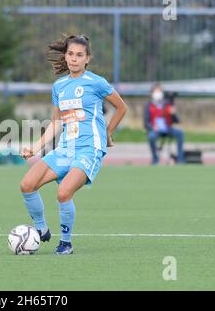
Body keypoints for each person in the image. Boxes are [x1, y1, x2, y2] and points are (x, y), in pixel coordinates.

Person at [19, 34, 127, 255]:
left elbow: (121, 107)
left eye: (79, 55)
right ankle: (41, 230)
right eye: (70, 54)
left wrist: (107, 132)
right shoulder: (59, 86)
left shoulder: (96, 82)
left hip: (90, 149)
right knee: (27, 185)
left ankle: (66, 242)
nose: (74, 59)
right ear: (65, 56)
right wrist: (35, 147)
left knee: (63, 192)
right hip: (65, 149)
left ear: (87, 58)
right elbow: (57, 121)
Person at [144, 83, 185, 165]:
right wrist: (152, 127)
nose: (158, 93)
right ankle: (155, 159)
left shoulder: (167, 104)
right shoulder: (148, 105)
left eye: (160, 91)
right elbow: (146, 123)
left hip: (167, 128)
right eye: (156, 91)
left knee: (180, 133)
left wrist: (173, 113)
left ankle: (180, 159)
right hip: (156, 130)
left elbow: (176, 121)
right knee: (151, 136)